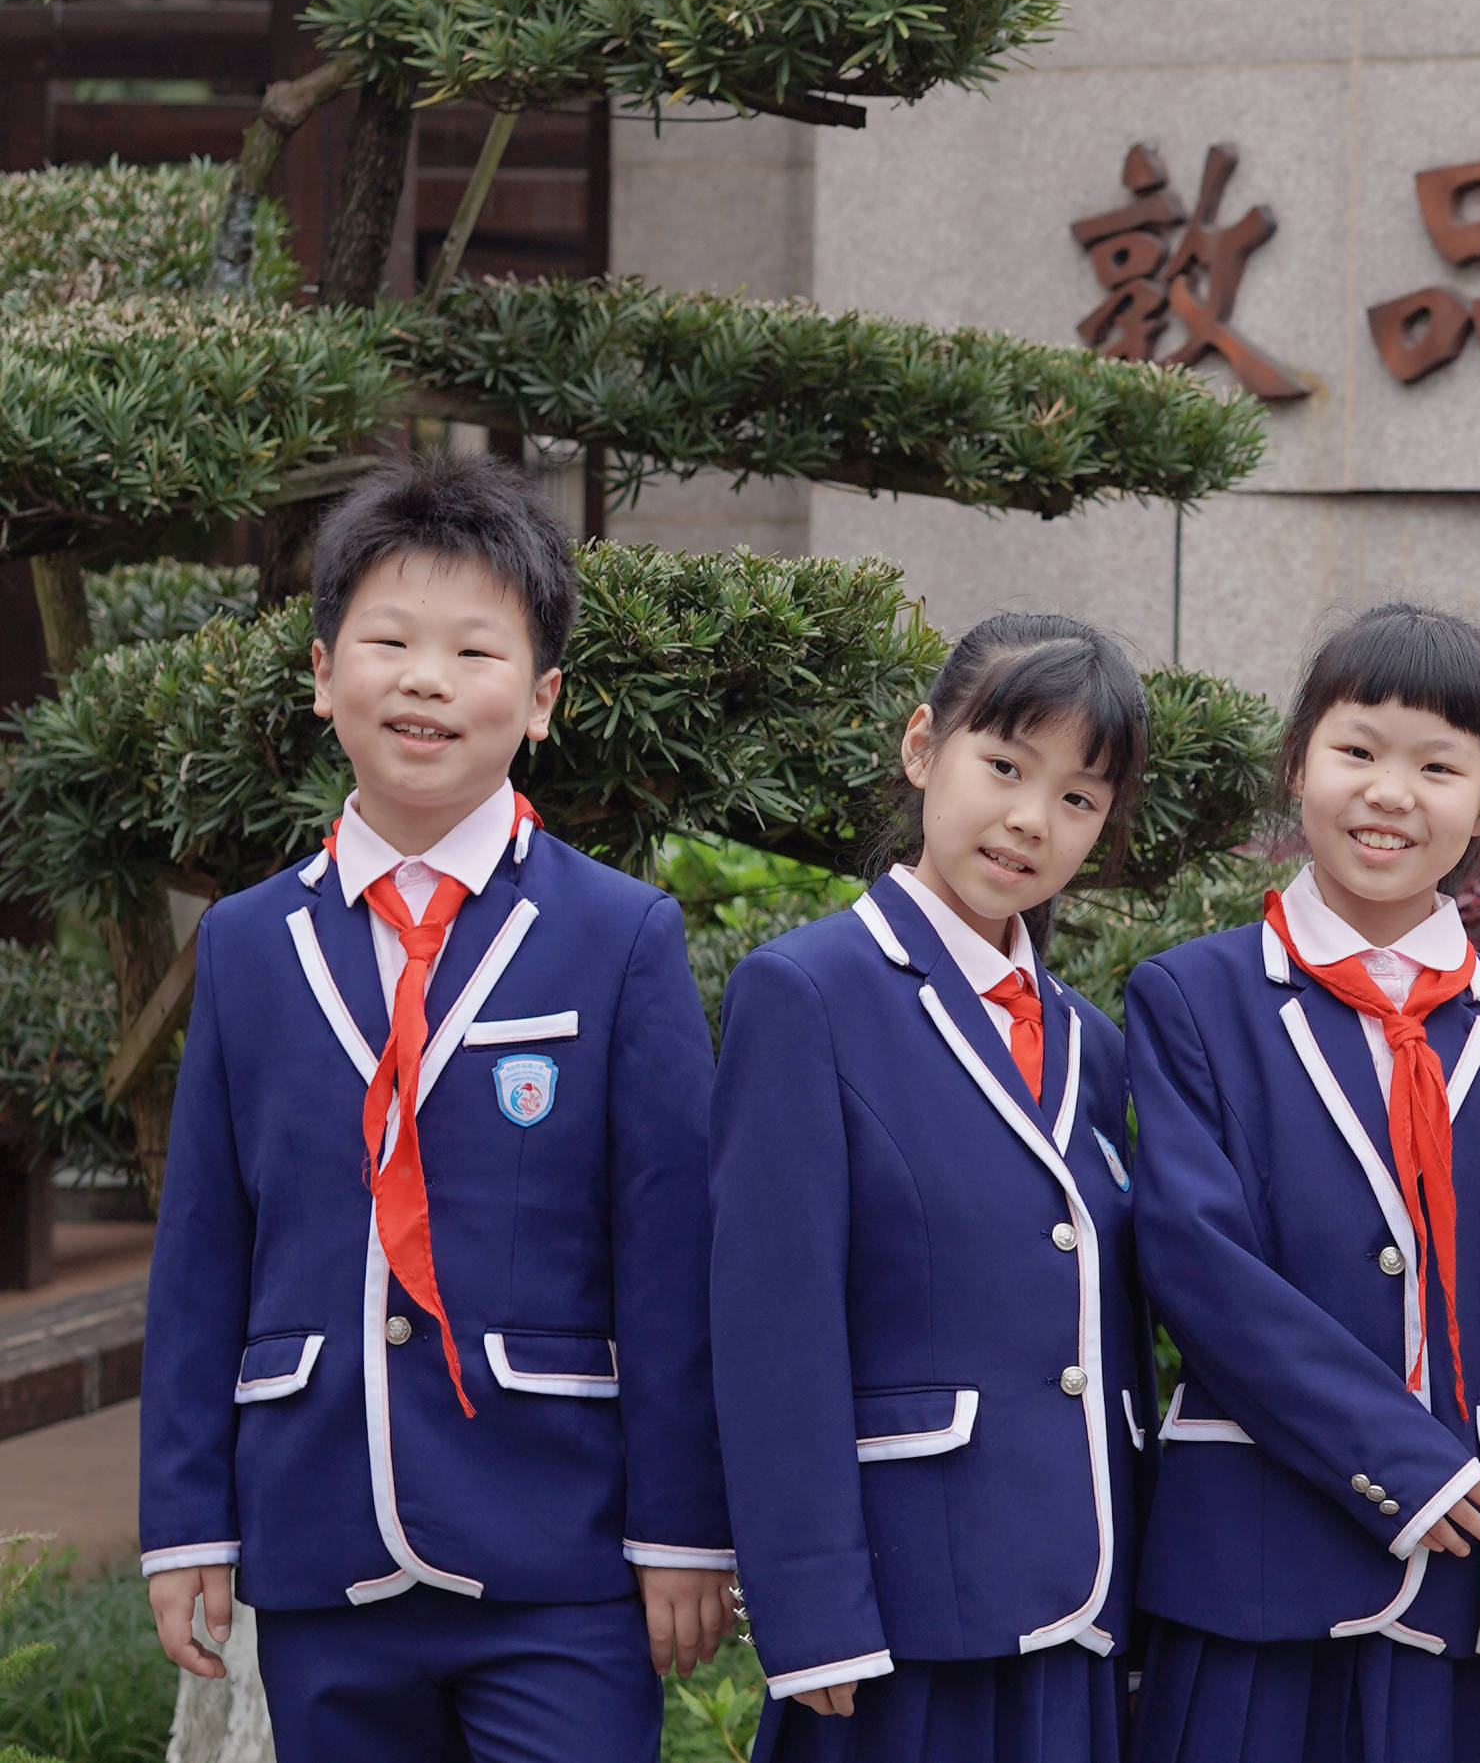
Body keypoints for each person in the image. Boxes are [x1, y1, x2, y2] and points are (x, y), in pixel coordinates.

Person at [139, 456, 732, 1763]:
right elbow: (202, 1249)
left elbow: (671, 1251)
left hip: (556, 1545)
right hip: (319, 1536)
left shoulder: (619, 933)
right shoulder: (248, 943)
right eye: (389, 640)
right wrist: (187, 1522)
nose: (425, 678)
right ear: (321, 672)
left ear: (543, 699)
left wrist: (683, 1525)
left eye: (475, 649)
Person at [1124, 600, 1480, 1763]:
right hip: (1251, 1580)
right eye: (1357, 750)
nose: (1390, 792)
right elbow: (1198, 1260)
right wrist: (1409, 1465)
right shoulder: (1194, 998)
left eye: (1437, 765)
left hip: (1470, 1588)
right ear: (1297, 763)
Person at [709, 611, 1150, 1760]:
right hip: (897, 1630)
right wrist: (811, 1621)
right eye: (1003, 765)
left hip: (1079, 1614)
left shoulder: (1089, 1045)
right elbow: (772, 1326)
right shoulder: (804, 994)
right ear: (922, 748)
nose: (1028, 819)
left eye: (1076, 797)